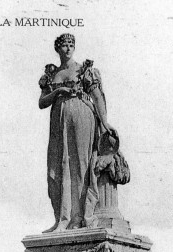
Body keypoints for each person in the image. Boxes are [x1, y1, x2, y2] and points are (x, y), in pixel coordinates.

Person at [39, 33, 118, 232]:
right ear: (57, 49)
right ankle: (62, 219)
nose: (67, 49)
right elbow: (42, 103)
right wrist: (56, 92)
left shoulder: (84, 70)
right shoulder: (50, 74)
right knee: (57, 168)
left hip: (82, 116)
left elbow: (97, 97)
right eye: (64, 45)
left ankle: (79, 218)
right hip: (58, 120)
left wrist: (105, 122)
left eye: (71, 45)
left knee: (80, 166)